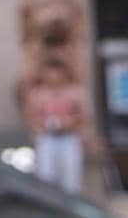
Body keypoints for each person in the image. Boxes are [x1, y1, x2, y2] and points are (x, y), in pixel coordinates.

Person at [24, 58, 88, 196]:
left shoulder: (75, 92)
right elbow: (32, 116)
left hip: (69, 138)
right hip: (48, 138)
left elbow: (84, 116)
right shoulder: (38, 94)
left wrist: (69, 123)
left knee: (71, 179)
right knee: (46, 176)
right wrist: (42, 125)